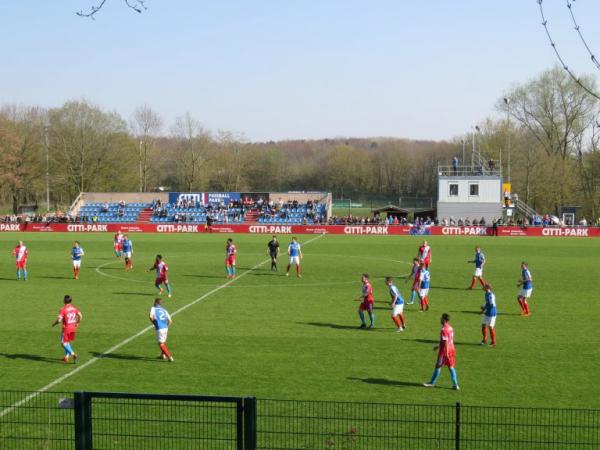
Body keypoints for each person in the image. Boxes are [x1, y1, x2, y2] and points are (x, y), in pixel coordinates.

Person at [423, 313, 459, 390]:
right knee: (451, 367)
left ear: (444, 320)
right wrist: (438, 346)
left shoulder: (444, 330)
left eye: (441, 318)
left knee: (438, 366)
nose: (440, 319)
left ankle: (432, 383)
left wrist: (445, 353)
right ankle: (456, 385)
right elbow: (448, 340)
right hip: (452, 349)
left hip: (444, 351)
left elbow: (445, 341)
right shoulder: (450, 328)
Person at [51, 295, 82, 364]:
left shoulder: (63, 309)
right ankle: (66, 357)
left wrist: (54, 324)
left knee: (63, 343)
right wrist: (78, 323)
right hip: (73, 327)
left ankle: (73, 354)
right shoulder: (74, 308)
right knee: (67, 342)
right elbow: (80, 315)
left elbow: (59, 320)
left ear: (64, 301)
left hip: (66, 328)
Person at [149, 298, 174, 362]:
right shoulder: (164, 310)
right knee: (163, 342)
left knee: (161, 343)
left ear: (156, 303)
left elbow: (150, 317)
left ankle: (169, 356)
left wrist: (154, 323)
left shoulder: (153, 308)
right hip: (165, 328)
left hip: (160, 328)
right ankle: (163, 355)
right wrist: (166, 326)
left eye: (154, 302)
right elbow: (170, 321)